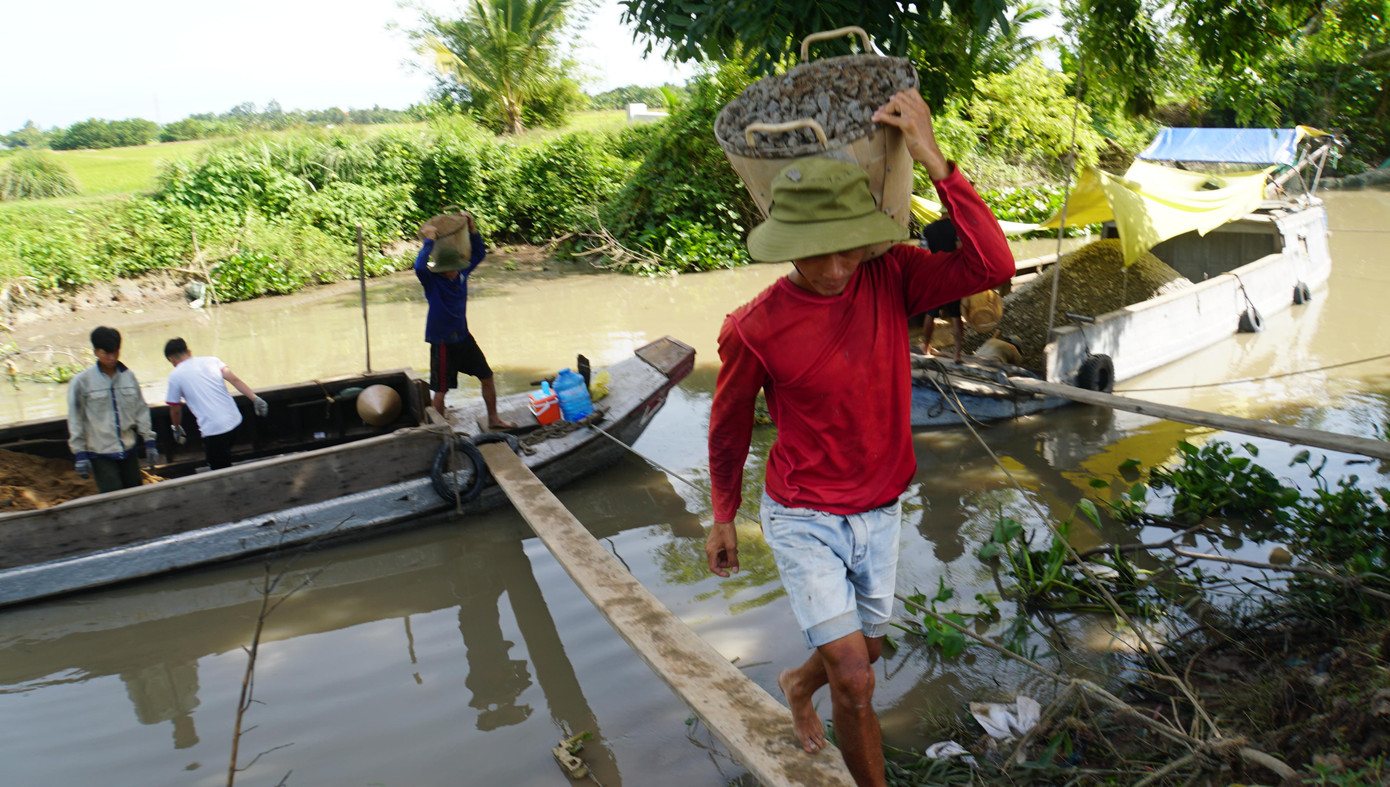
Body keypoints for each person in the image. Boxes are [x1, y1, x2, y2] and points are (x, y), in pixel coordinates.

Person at [705, 89, 1015, 786]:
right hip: (805, 513)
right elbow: (727, 428)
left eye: (849, 247)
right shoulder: (753, 326)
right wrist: (722, 514)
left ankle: (795, 680)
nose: (838, 266)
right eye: (819, 254)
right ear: (789, 245)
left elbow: (992, 268)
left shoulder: (892, 275)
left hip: (882, 506)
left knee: (865, 652)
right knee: (857, 679)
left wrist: (937, 160)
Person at [416, 212, 514, 428]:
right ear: (443, 270)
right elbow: (419, 267)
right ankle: (440, 432)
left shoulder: (461, 275)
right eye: (452, 269)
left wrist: (472, 228)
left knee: (487, 376)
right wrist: (429, 241)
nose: (456, 271)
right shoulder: (432, 282)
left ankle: (494, 419)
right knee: (440, 391)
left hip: (463, 337)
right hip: (442, 342)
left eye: (459, 268)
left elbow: (479, 253)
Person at [67, 326, 160, 493]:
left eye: (115, 352)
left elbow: (140, 410)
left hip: (128, 450)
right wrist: (80, 454)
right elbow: (76, 419)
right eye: (106, 353)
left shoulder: (128, 377)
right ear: (96, 352)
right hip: (101, 453)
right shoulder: (82, 382)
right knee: (113, 496)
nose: (112, 358)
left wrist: (149, 441)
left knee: (136, 493)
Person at [163, 338, 268, 471]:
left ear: (171, 359)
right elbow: (235, 380)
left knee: (218, 468)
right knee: (223, 455)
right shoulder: (212, 361)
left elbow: (175, 409)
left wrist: (176, 428)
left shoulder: (175, 376)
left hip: (214, 430)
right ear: (188, 351)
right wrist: (255, 399)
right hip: (235, 421)